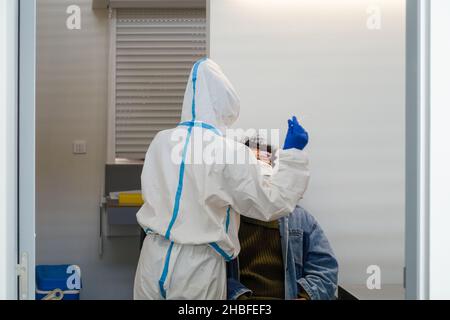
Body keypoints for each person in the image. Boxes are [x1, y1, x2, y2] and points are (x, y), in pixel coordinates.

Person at [133, 58, 311, 300]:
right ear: (227, 106)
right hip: (198, 267)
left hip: (152, 259)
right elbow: (271, 203)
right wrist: (293, 155)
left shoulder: (161, 142)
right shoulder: (228, 151)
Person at [227, 136, 338, 300]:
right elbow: (211, 272)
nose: (260, 169)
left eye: (265, 163)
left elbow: (325, 268)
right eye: (252, 162)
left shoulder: (300, 219)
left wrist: (306, 297)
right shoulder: (224, 218)